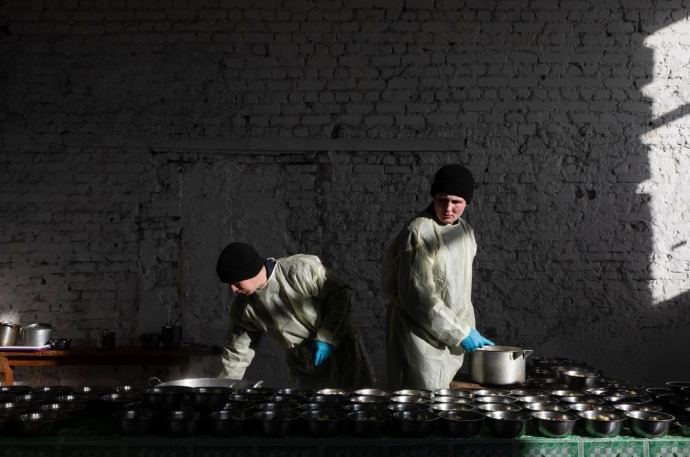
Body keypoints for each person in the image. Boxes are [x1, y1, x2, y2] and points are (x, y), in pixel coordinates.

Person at [381, 164, 495, 390]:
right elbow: (419, 299)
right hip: (419, 338)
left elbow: (461, 291)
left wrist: (466, 328)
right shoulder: (419, 233)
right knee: (420, 399)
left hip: (448, 334)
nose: (448, 208)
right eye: (442, 199)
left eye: (456, 201)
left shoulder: (465, 232)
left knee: (442, 398)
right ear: (433, 196)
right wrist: (460, 333)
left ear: (467, 202)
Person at [215, 242, 374, 389]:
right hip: (302, 362)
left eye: (236, 282)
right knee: (307, 406)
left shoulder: (299, 271)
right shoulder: (244, 307)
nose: (233, 289)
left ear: (251, 271)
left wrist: (328, 337)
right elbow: (237, 351)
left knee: (347, 400)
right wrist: (224, 389)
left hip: (339, 350)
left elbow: (339, 296)